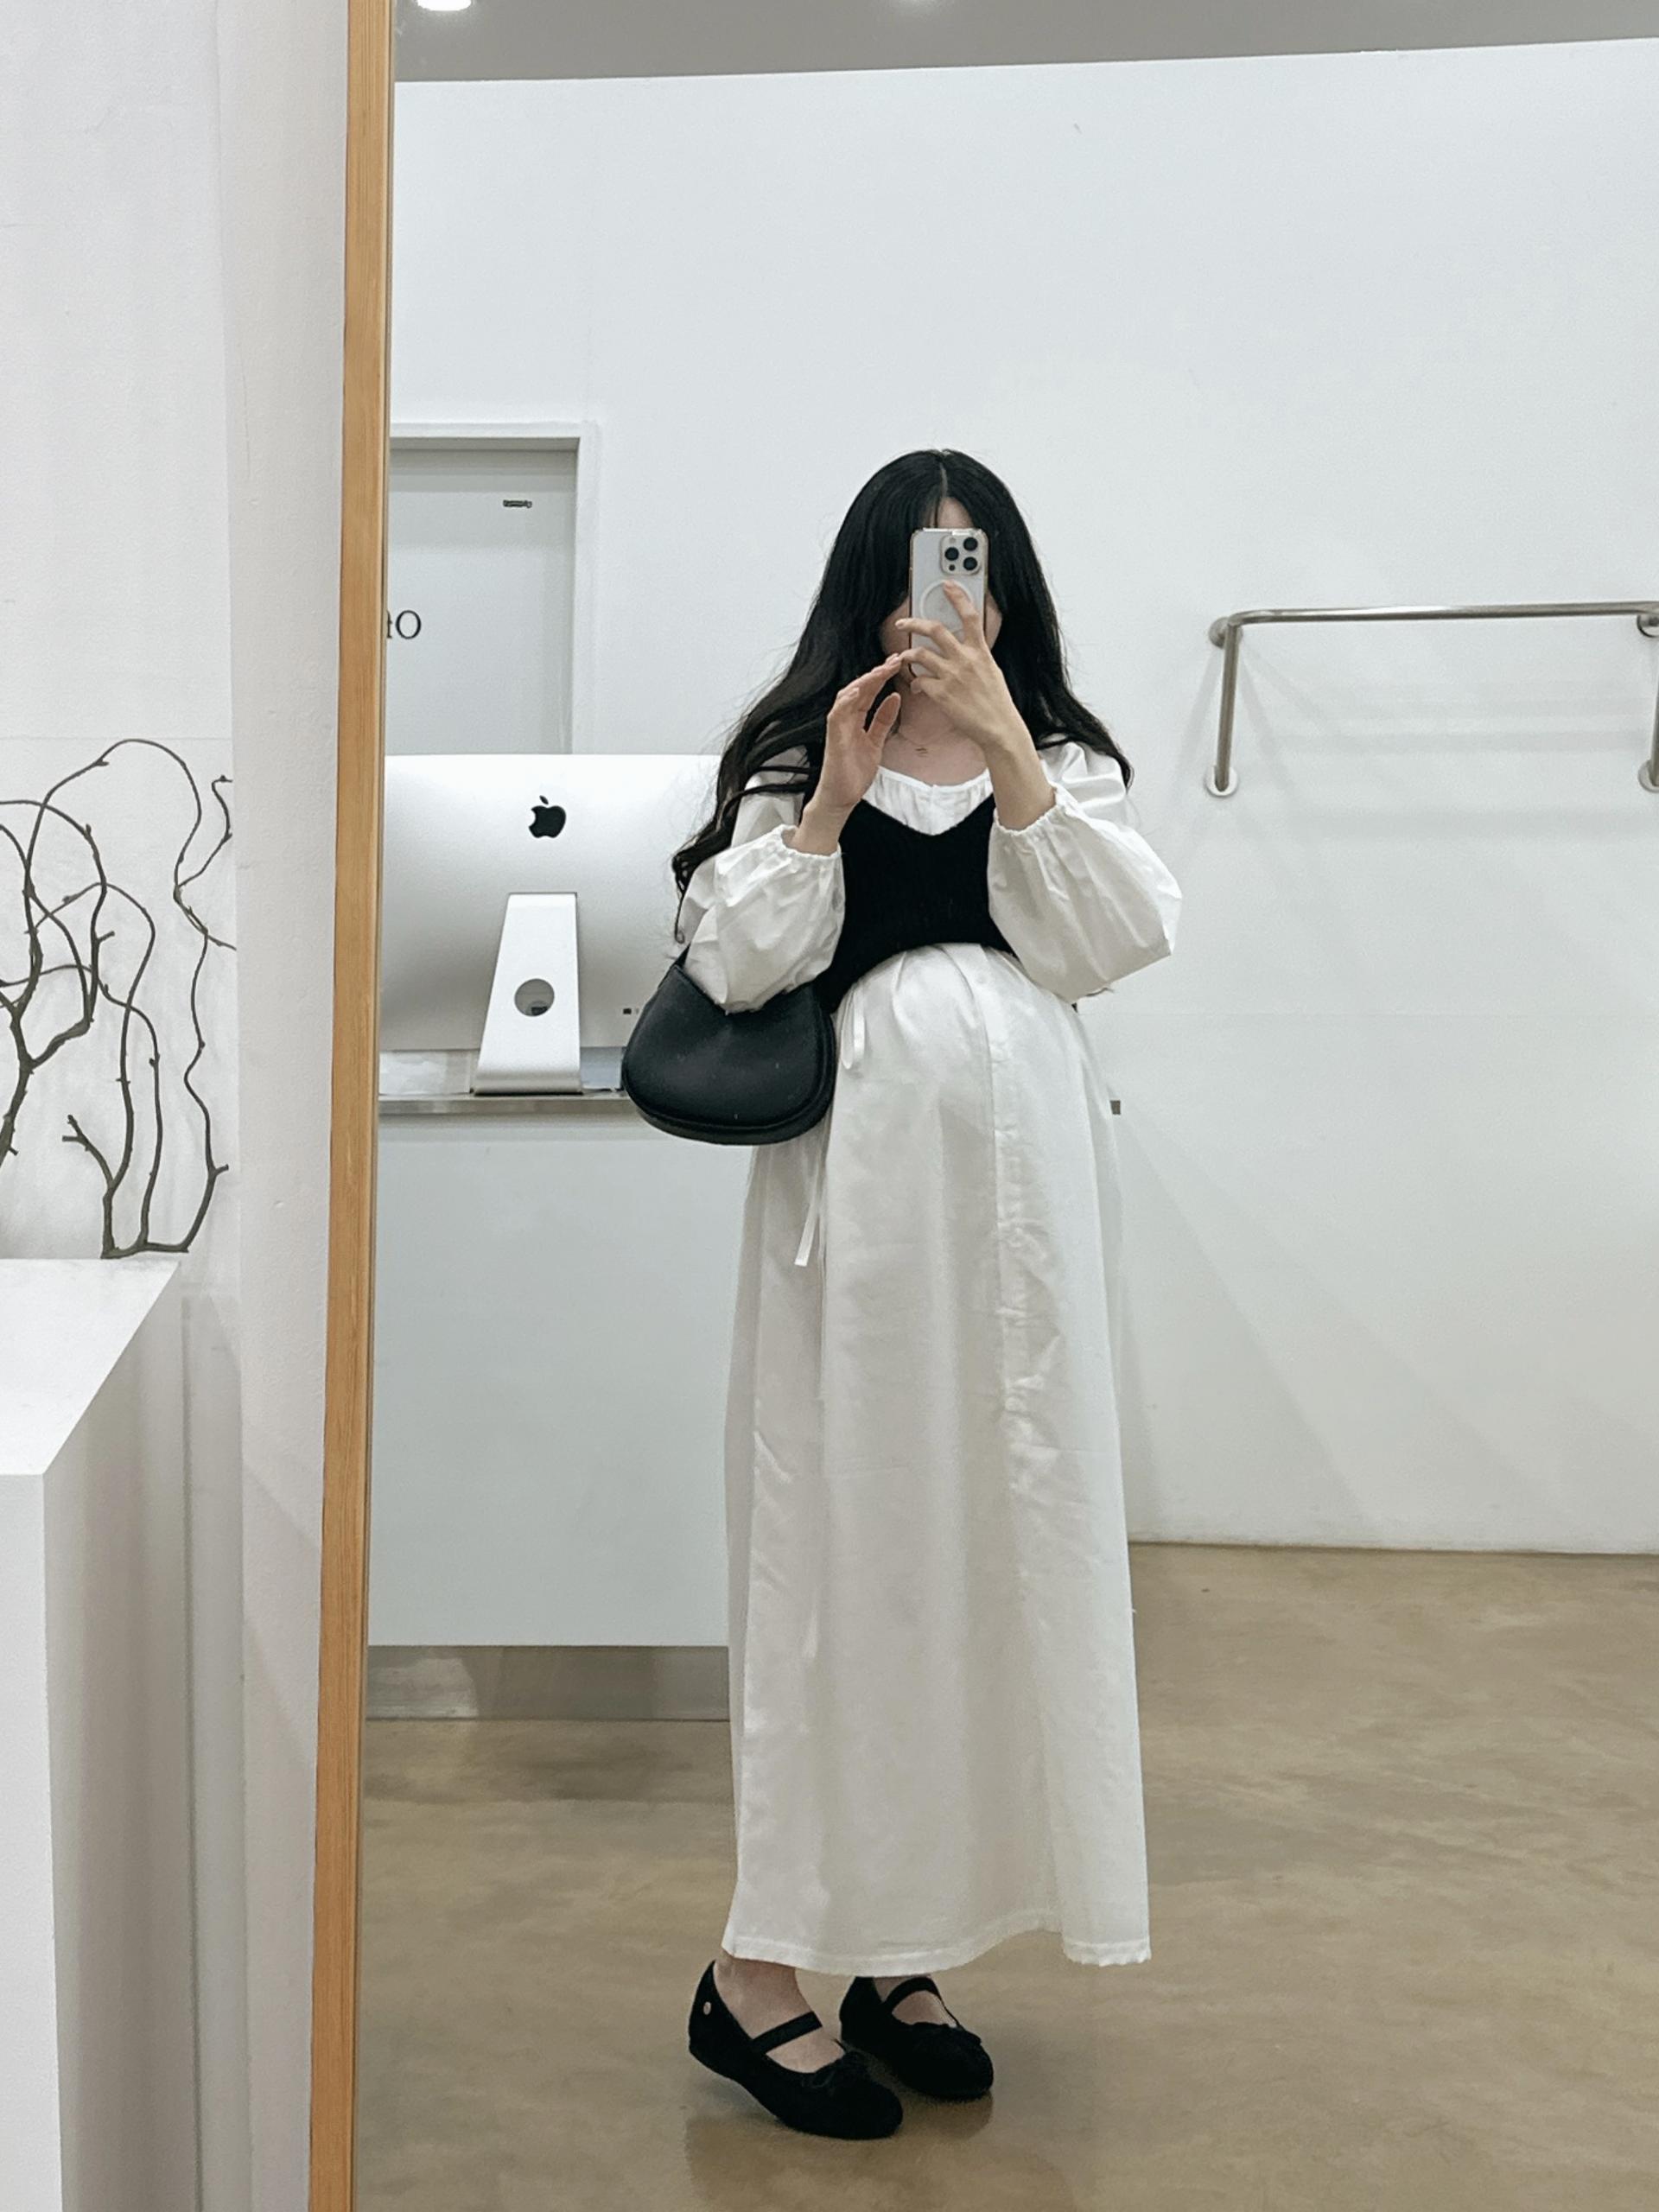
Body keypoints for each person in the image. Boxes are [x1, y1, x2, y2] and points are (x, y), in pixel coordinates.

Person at [672, 450, 1183, 2139]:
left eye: (967, 567)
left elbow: (1113, 941)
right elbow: (734, 960)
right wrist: (831, 798)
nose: (938, 601)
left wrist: (1013, 754)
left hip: (1027, 1233)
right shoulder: (794, 754)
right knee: (847, 1556)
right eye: (914, 567)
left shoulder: (1067, 760)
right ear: (868, 584)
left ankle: (905, 1951)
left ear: (1004, 587)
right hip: (860, 1222)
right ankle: (756, 1973)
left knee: (1000, 1550)